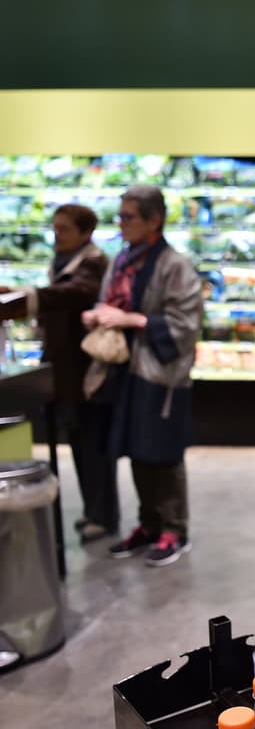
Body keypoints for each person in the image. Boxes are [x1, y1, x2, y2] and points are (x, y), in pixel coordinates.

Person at [84, 185, 204, 567]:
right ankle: (149, 525)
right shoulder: (123, 259)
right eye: (119, 216)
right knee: (137, 449)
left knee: (163, 452)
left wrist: (130, 320)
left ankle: (174, 530)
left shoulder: (175, 265)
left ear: (154, 220)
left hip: (160, 373)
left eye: (128, 216)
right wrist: (99, 315)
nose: (121, 223)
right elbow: (112, 301)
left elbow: (185, 325)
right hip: (125, 369)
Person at [0, 204, 115, 541]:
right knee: (79, 441)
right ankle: (94, 511)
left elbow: (72, 294)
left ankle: (103, 515)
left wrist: (24, 300)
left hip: (87, 372)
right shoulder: (66, 261)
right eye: (55, 227)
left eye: (64, 228)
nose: (57, 234)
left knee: (93, 445)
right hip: (66, 373)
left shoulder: (93, 263)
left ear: (86, 232)